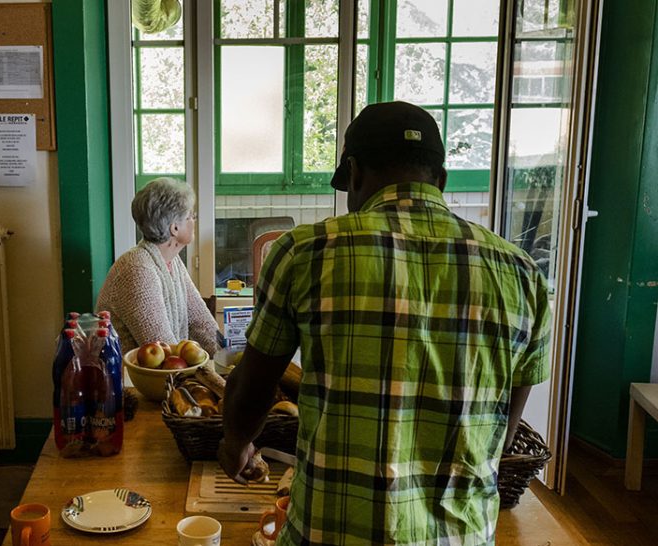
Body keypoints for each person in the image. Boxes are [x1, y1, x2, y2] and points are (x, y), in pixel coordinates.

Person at [219, 102, 551, 545]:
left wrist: (235, 441)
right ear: (442, 180)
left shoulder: (304, 252)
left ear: (354, 175)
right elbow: (504, 429)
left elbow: (253, 384)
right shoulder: (524, 274)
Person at [96, 177, 221, 355]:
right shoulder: (137, 269)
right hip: (126, 379)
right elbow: (163, 349)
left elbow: (201, 322)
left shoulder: (172, 261)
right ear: (174, 228)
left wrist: (227, 357)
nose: (194, 220)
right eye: (190, 216)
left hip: (158, 376)